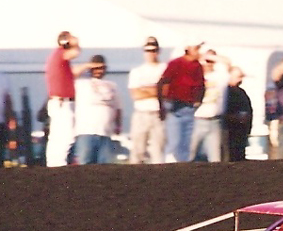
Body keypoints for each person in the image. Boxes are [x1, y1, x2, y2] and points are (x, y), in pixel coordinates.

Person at [44, 31, 101, 167]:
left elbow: (72, 73)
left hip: (60, 103)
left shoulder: (58, 58)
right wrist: (75, 42)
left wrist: (87, 66)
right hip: (62, 103)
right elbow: (75, 52)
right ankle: (57, 165)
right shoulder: (60, 53)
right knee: (65, 136)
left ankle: (55, 164)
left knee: (59, 137)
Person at [158, 38, 206, 163]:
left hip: (189, 107)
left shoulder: (197, 66)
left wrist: (198, 101)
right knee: (174, 142)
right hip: (175, 106)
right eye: (196, 48)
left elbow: (201, 85)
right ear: (188, 50)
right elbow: (162, 82)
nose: (199, 52)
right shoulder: (176, 63)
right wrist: (162, 106)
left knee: (186, 143)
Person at [73, 54, 122, 165]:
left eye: (102, 68)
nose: (99, 71)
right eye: (96, 68)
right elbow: (70, 75)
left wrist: (118, 125)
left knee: (105, 168)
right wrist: (88, 65)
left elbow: (118, 107)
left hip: (106, 133)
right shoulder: (80, 83)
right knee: (84, 165)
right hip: (86, 132)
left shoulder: (112, 85)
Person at [127, 36, 167, 164]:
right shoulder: (137, 71)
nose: (151, 53)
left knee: (158, 152)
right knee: (137, 151)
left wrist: (145, 90)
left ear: (158, 51)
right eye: (148, 50)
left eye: (153, 50)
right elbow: (135, 94)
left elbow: (166, 91)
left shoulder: (164, 69)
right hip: (141, 114)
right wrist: (156, 90)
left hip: (158, 114)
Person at [189, 49, 231, 162]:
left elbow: (228, 63)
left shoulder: (219, 76)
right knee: (189, 154)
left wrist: (211, 57)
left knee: (215, 158)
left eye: (210, 61)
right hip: (196, 120)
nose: (207, 63)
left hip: (214, 121)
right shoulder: (195, 76)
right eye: (205, 61)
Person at [222, 66, 253, 162]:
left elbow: (249, 110)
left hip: (241, 131)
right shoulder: (224, 92)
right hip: (229, 131)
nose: (240, 80)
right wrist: (233, 118)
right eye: (238, 77)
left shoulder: (241, 92)